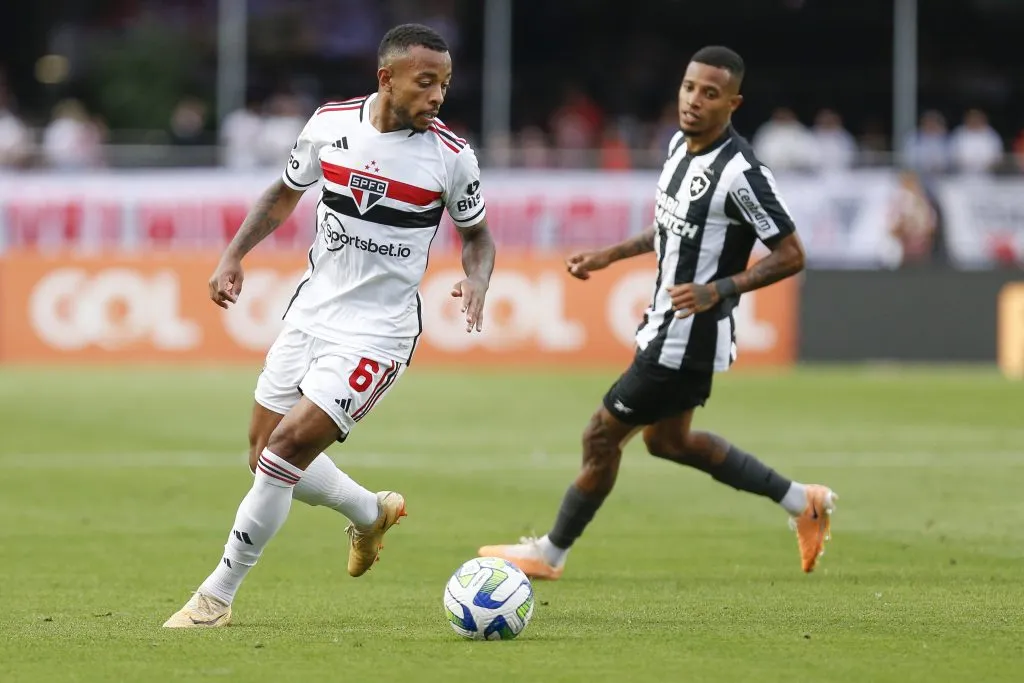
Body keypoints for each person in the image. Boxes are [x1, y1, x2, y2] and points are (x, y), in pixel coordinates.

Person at [164, 24, 495, 627]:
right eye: (426, 83)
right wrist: (233, 254)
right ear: (386, 78)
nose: (437, 96)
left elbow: (477, 237)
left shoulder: (451, 157)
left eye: (444, 84)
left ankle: (217, 596)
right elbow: (283, 194)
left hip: (379, 333)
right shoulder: (330, 125)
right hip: (311, 311)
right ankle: (371, 513)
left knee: (286, 450)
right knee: (263, 451)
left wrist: (477, 278)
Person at [478, 46, 836, 579]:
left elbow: (792, 254)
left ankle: (550, 554)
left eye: (710, 93)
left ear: (733, 103)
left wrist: (721, 288)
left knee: (600, 436)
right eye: (689, 87)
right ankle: (801, 501)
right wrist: (609, 255)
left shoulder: (741, 174)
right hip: (666, 324)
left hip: (686, 336)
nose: (694, 100)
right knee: (669, 442)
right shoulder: (676, 147)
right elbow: (670, 227)